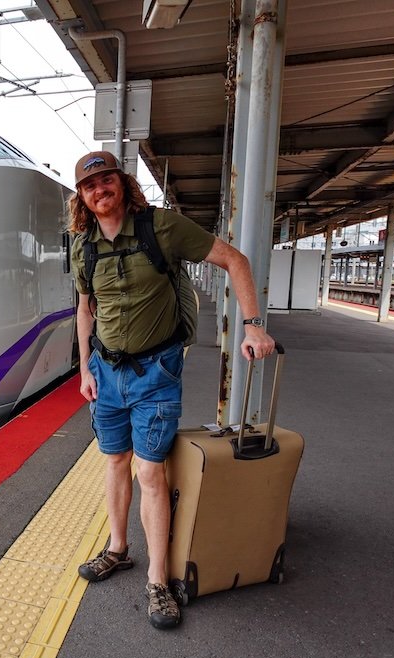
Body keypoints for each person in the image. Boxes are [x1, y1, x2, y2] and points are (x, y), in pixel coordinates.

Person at [69, 150, 276, 629]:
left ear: (121, 184)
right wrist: (84, 369)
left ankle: (158, 581)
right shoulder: (83, 247)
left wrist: (253, 326)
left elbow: (234, 260)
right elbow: (85, 308)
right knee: (115, 462)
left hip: (155, 374)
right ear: (82, 198)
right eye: (89, 185)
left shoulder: (162, 227)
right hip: (106, 372)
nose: (99, 190)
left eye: (106, 180)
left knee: (150, 472)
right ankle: (119, 550)